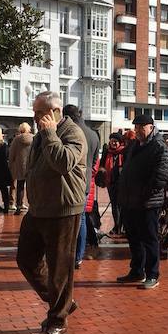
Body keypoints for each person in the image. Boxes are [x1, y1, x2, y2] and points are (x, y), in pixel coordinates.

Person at [16, 91, 88, 334]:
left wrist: (49, 134)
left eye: (39, 113)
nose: (34, 117)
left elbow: (63, 163)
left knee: (60, 268)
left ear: (55, 112)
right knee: (25, 258)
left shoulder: (72, 133)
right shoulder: (41, 135)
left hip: (63, 209)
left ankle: (58, 322)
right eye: (34, 112)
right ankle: (63, 302)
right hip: (38, 209)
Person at [116, 113, 168, 289]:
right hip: (130, 201)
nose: (137, 131)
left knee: (150, 238)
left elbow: (160, 177)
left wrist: (145, 194)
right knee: (133, 237)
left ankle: (152, 274)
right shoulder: (134, 145)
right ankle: (137, 270)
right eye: (135, 128)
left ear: (150, 127)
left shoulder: (158, 146)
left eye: (141, 127)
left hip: (148, 202)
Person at [63, 105, 101, 270]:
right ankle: (78, 255)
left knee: (68, 219)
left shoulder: (69, 132)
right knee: (83, 219)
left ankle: (69, 255)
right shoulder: (93, 134)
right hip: (84, 182)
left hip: (69, 182)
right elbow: (94, 163)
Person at [101, 132, 126, 235]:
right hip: (110, 183)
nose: (114, 143)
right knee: (114, 206)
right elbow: (102, 164)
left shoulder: (124, 152)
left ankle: (122, 227)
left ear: (120, 142)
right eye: (112, 141)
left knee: (122, 206)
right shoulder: (107, 152)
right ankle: (117, 226)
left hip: (122, 184)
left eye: (116, 141)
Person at [8, 122, 33, 214]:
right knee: (30, 187)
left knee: (20, 186)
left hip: (19, 166)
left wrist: (11, 165)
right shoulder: (34, 138)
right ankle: (31, 206)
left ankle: (18, 205)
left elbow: (12, 153)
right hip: (31, 166)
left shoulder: (16, 139)